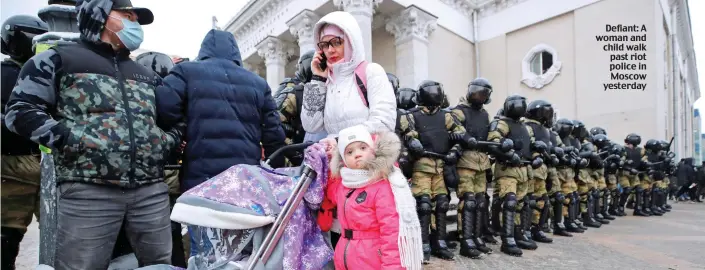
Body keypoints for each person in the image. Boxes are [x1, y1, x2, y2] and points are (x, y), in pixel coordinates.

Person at [4, 0, 181, 268]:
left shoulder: (145, 73)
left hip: (150, 191)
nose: (134, 23)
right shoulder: (59, 58)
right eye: (127, 15)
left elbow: (173, 118)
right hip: (88, 191)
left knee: (159, 264)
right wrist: (70, 140)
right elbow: (20, 112)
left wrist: (165, 142)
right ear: (99, 15)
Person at [156, 28, 286, 193]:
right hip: (246, 177)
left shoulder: (186, 71)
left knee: (200, 217)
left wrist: (186, 126)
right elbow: (274, 134)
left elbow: (164, 107)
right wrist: (274, 173)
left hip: (200, 178)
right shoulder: (259, 83)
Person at [325, 125, 423, 270]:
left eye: (363, 148)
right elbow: (331, 193)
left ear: (373, 150)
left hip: (373, 259)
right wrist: (327, 157)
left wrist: (392, 267)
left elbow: (391, 233)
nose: (357, 154)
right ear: (343, 160)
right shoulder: (345, 184)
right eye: (350, 152)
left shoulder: (381, 185)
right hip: (347, 256)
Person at [1, 14, 48, 270]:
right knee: (7, 233)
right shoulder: (6, 74)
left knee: (58, 230)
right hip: (13, 162)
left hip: (37, 160)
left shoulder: (45, 73)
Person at [301, 11, 396, 138]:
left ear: (351, 41)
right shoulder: (327, 81)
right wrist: (317, 79)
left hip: (368, 155)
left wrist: (343, 140)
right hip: (336, 156)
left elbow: (384, 122)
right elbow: (310, 126)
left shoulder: (371, 71)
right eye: (324, 45)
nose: (330, 50)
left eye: (337, 42)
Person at [398, 80, 464, 262]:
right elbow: (405, 133)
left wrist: (454, 151)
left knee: (442, 203)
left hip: (441, 165)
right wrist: (412, 141)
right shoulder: (411, 116)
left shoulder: (447, 116)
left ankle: (439, 242)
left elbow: (461, 135)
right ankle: (423, 244)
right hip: (422, 165)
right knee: (424, 205)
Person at [487, 95, 543, 256]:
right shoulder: (502, 123)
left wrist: (537, 155)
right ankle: (507, 239)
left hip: (524, 169)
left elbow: (531, 145)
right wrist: (509, 154)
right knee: (510, 202)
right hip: (507, 169)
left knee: (521, 203)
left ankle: (518, 234)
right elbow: (494, 141)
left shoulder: (525, 127)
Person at [450, 78, 496, 258]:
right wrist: (466, 137)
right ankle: (466, 239)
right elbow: (454, 127)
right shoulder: (460, 110)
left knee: (480, 201)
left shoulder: (485, 114)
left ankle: (477, 237)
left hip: (482, 160)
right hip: (466, 159)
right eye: (476, 91)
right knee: (468, 201)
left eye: (483, 93)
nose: (478, 95)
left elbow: (490, 135)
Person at [521, 100, 555, 243]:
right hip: (531, 167)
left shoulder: (544, 129)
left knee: (543, 202)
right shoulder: (526, 126)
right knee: (530, 201)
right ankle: (525, 229)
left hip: (543, 168)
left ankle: (537, 229)